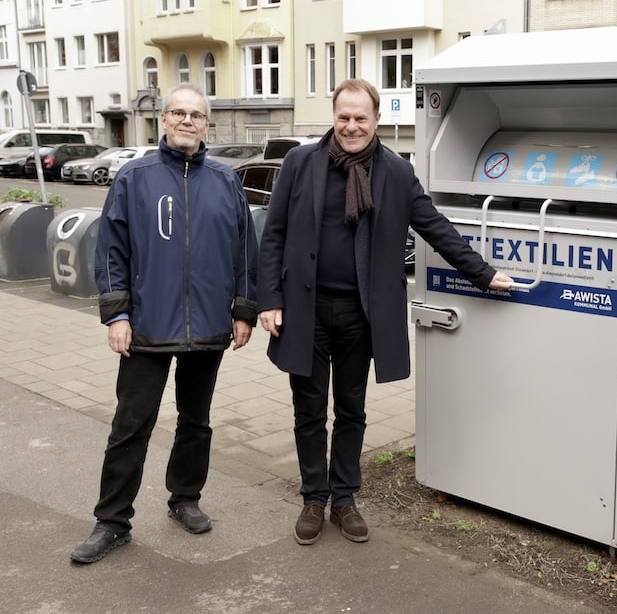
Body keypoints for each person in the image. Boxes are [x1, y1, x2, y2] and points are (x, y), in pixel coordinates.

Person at [257, 78, 513, 546]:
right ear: (333, 118)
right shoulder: (300, 163)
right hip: (305, 309)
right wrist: (269, 300)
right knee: (309, 410)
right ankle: (314, 497)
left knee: (351, 409)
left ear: (377, 119)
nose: (351, 126)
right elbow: (272, 234)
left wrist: (482, 273)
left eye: (360, 118)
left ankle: (345, 499)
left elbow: (434, 225)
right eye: (343, 117)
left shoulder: (395, 172)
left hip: (362, 313)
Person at [70, 83, 259, 564]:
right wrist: (117, 314)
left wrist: (242, 309)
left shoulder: (225, 181)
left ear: (206, 125)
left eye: (196, 115)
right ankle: (112, 522)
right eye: (178, 112)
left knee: (196, 423)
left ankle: (185, 498)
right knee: (131, 426)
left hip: (210, 327)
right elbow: (110, 251)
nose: (186, 121)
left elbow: (244, 251)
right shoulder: (135, 177)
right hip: (147, 327)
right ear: (164, 119)